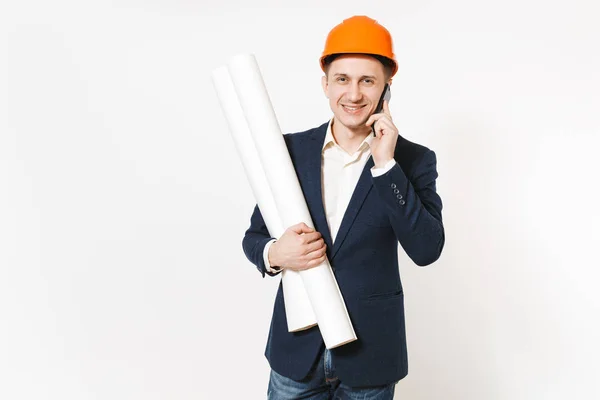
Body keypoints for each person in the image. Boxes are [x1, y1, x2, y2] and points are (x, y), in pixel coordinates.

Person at [241, 15, 445, 400]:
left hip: (369, 358)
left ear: (386, 88)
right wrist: (275, 253)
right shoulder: (289, 151)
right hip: (296, 354)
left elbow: (427, 249)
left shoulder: (413, 160)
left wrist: (386, 166)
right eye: (342, 79)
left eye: (367, 80)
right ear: (325, 84)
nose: (353, 94)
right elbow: (254, 237)